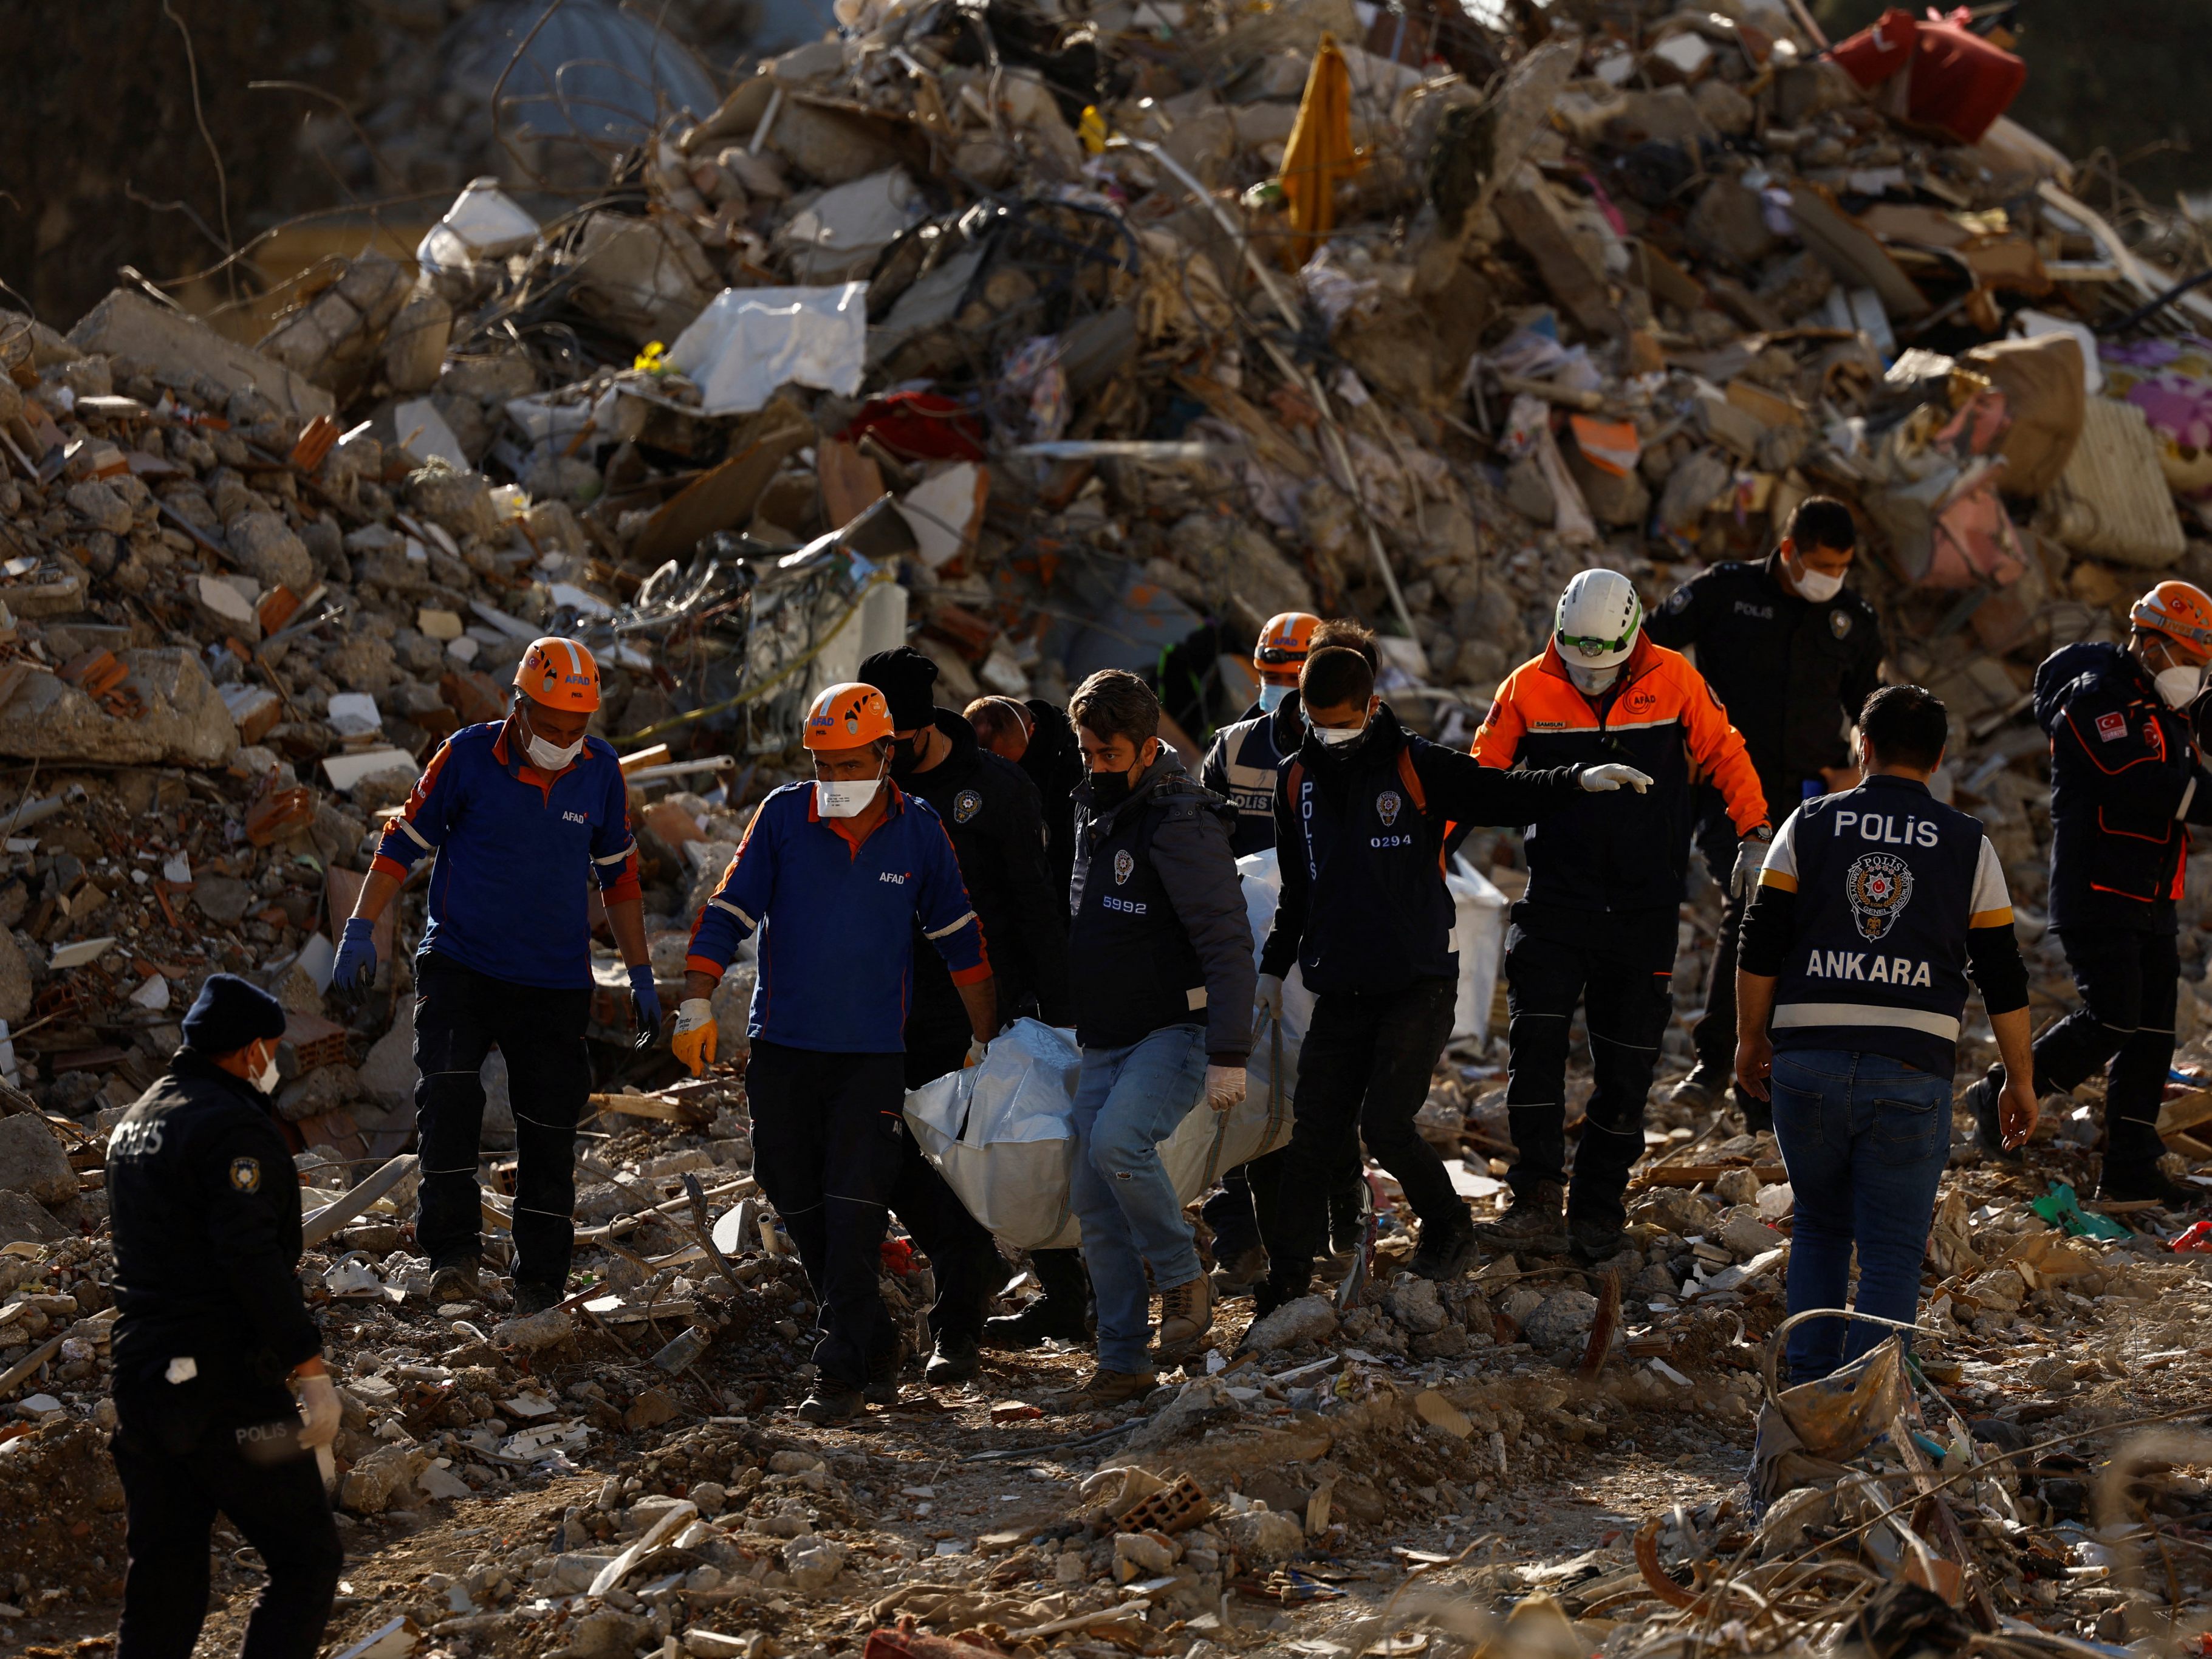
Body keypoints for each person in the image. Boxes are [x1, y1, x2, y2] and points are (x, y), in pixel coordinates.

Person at [1254, 646, 1649, 1306]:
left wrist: (1576, 779)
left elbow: (1500, 790)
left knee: (1385, 1124)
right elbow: (1297, 889)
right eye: (1316, 721)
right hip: (1340, 986)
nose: (1329, 735)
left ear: (1370, 707)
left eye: (1341, 722)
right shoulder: (1296, 781)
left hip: (1416, 982)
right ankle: (1287, 1276)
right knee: (1313, 1130)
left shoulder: (1414, 764)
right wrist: (1272, 970)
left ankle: (1448, 1227)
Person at [673, 683, 998, 1423]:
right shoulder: (785, 815)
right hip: (783, 1045)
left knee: (855, 1206)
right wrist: (696, 996)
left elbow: (959, 936)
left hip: (869, 1055)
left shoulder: (918, 831)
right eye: (824, 763)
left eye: (851, 763)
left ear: (887, 755)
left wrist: (988, 1036)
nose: (837, 779)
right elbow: (728, 907)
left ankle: (840, 1373)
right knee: (790, 1187)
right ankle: (873, 1336)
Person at [332, 637, 656, 1313]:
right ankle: (452, 1256)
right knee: (448, 1101)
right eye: (551, 724)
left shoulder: (598, 771)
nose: (563, 740)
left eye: (578, 728)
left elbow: (620, 876)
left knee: (549, 1126)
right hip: (463, 965)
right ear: (519, 706)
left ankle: (539, 1279)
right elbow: (403, 843)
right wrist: (360, 926)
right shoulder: (467, 757)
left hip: (554, 980)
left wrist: (642, 974)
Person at [1734, 685, 2039, 1381]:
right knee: (1893, 1251)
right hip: (1910, 1068)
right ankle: (1866, 1412)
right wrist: (2019, 1079)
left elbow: (1759, 939)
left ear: (1861, 748)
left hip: (1805, 1060)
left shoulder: (1808, 823)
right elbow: (2001, 971)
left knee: (1817, 1225)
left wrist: (1749, 1038)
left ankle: (1807, 1389)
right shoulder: (1967, 844)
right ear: (1936, 760)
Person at [1473, 569, 1769, 1260]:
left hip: (1642, 905)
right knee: (1534, 1050)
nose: (1590, 680)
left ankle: (1598, 1207)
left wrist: (1754, 833)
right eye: (1578, 666)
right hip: (1554, 898)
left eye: (1602, 667)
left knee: (1627, 1063)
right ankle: (1536, 1196)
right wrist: (1429, 858)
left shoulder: (1673, 679)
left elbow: (1725, 751)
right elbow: (1480, 776)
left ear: (1632, 639)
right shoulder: (1525, 687)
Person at [107, 974, 344, 1659]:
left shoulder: (136, 1120)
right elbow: (249, 1259)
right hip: (226, 1392)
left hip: (145, 1386)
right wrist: (310, 1370)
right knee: (305, 1558)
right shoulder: (233, 1125)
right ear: (248, 1051)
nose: (275, 1062)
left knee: (165, 1575)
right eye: (272, 1048)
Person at [1957, 581, 2212, 1206]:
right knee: (2112, 1016)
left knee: (2151, 1032)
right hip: (2097, 889)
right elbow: (2153, 787)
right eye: (2190, 659)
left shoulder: (2162, 703)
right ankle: (1998, 1092)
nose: (2197, 675)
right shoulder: (2099, 701)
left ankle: (2129, 1168)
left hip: (2150, 892)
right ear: (2152, 648)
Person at [862, 647, 1073, 1381]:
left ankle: (988, 1319)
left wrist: (1051, 1009)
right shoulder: (865, 783)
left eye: (889, 744)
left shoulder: (996, 789)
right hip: (888, 1009)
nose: (876, 759)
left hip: (981, 1010)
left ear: (918, 730)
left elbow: (1034, 904)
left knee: (994, 1152)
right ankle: (973, 1284)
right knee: (902, 1158)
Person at [1643, 497, 1886, 1124]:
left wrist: (1855, 767)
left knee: (1805, 920)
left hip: (1810, 792)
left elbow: (1870, 710)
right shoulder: (1724, 591)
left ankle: (1781, 1072)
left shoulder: (1851, 618)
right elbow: (1644, 653)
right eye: (1819, 564)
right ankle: (1717, 1063)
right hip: (1728, 784)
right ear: (1787, 552)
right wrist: (1677, 734)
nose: (1829, 577)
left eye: (1842, 566)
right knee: (1751, 901)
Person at [1059, 669, 1255, 1406]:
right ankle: (1122, 1361)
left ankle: (1181, 1272)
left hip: (1176, 1030)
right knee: (1091, 1196)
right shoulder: (1097, 808)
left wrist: (1229, 1051)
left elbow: (1226, 941)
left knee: (1117, 1144)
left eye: (1109, 755)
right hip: (1108, 1033)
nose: (1096, 767)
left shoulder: (1180, 820)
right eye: (1087, 753)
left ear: (1147, 749)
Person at [966, 691, 1096, 1350]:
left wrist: (1066, 995)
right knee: (1029, 1132)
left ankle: (1103, 1292)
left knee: (1082, 1136)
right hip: (1011, 976)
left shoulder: (1078, 765)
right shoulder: (978, 782)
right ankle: (1066, 1296)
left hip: (1077, 973)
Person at [1201, 612, 1321, 855]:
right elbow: (1205, 834)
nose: (1282, 687)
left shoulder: (1345, 746)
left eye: (1293, 679)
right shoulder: (1231, 747)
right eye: (1272, 677)